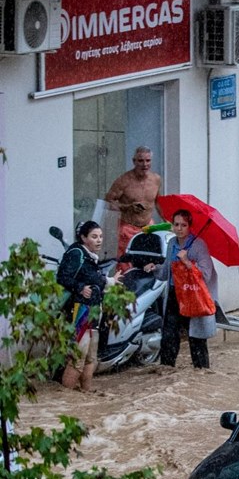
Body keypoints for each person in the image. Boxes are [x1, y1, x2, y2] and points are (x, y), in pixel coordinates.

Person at [56, 221, 125, 391]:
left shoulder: (90, 257)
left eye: (101, 236)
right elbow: (62, 277)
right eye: (94, 237)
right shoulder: (76, 253)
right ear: (83, 237)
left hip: (93, 310)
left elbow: (93, 278)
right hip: (80, 311)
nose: (99, 240)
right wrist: (79, 288)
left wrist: (110, 282)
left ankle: (87, 393)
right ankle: (65, 400)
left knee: (91, 358)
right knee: (78, 358)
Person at [147, 210, 217, 369]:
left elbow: (206, 274)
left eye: (183, 225)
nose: (179, 228)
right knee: (169, 336)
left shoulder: (199, 245)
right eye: (176, 224)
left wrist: (187, 262)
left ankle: (201, 371)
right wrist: (154, 268)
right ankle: (166, 368)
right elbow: (166, 271)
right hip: (174, 295)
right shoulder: (171, 243)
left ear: (190, 226)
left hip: (193, 296)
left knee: (196, 338)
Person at [103, 146, 162, 267]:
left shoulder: (156, 179)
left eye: (148, 160)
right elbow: (108, 201)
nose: (144, 164)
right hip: (128, 228)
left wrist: (169, 222)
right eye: (140, 161)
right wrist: (128, 207)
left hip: (148, 227)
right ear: (134, 161)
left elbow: (158, 202)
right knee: (126, 265)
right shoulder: (124, 180)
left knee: (149, 263)